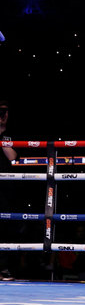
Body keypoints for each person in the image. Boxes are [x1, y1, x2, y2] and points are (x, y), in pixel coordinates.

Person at [0, 100, 19, 281]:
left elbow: (12, 157)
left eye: (5, 112)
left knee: (5, 227)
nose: (3, 116)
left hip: (5, 188)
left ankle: (3, 268)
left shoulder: (11, 135)